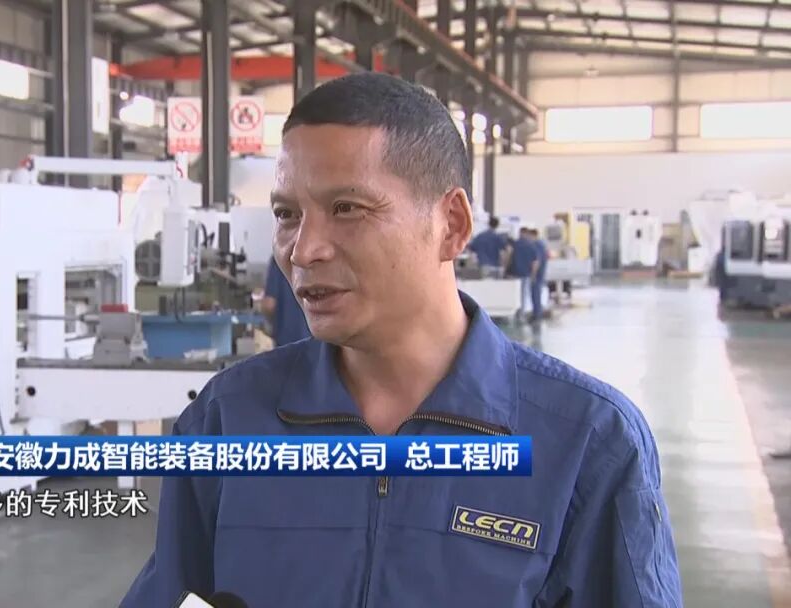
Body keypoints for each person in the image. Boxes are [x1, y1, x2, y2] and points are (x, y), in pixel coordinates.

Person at [121, 73, 682, 608]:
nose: (303, 249)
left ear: (451, 225)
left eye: (347, 209)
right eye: (288, 214)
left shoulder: (587, 444)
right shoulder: (228, 419)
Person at [261, 256, 312, 346]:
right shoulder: (315, 258)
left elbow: (269, 305)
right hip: (313, 339)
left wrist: (269, 326)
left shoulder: (279, 260)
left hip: (285, 338)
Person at [506, 228, 539, 319]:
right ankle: (522, 314)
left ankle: (514, 313)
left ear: (520, 233)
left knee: (514, 294)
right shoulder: (531, 245)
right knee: (523, 294)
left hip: (515, 273)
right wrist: (533, 275)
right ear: (527, 234)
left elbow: (509, 257)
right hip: (526, 274)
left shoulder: (515, 244)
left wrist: (506, 269)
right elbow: (535, 262)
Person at [530, 228, 550, 322]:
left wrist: (533, 274)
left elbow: (536, 261)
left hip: (537, 274)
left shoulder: (536, 245)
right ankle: (537, 313)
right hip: (541, 273)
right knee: (537, 293)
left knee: (535, 294)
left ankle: (537, 314)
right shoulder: (542, 244)